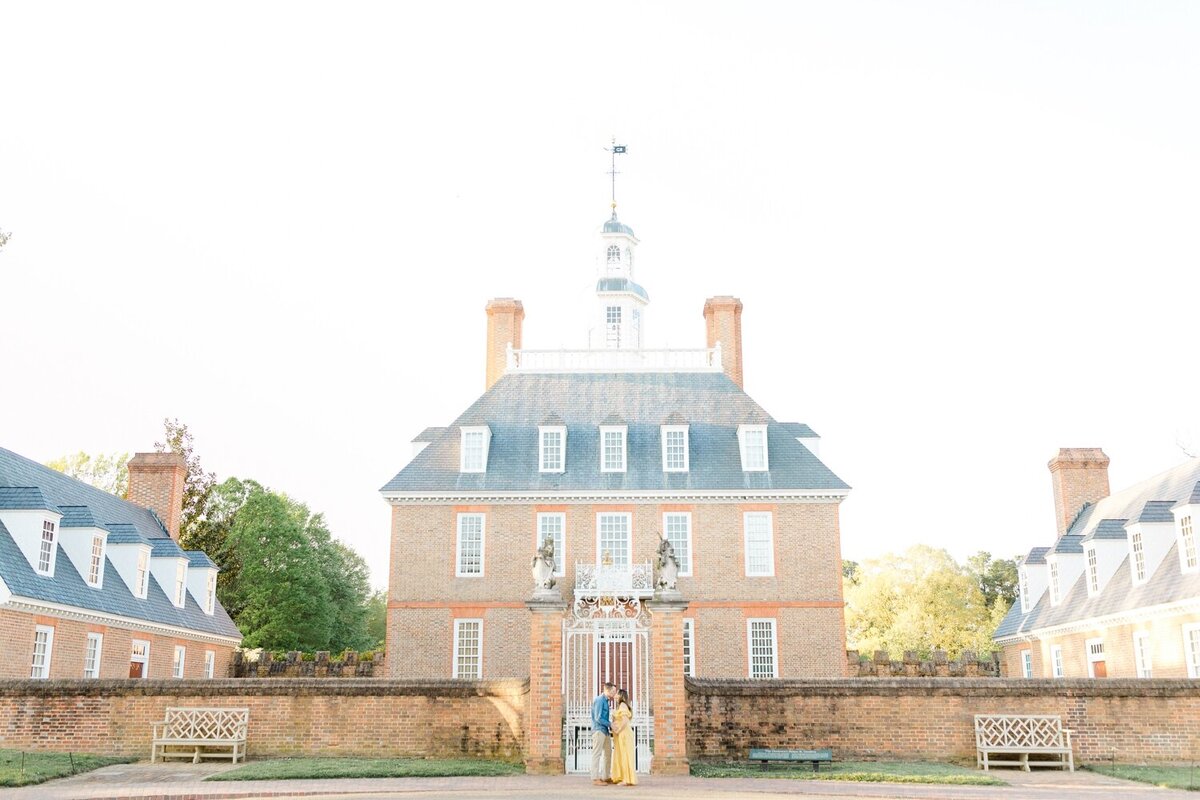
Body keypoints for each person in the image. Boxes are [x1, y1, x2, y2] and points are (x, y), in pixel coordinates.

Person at [608, 688, 637, 786]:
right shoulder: (621, 706)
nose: (615, 696)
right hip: (621, 734)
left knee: (625, 755)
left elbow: (625, 721)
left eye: (617, 694)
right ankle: (622, 777)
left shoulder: (623, 705)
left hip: (624, 734)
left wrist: (618, 730)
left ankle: (626, 779)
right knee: (621, 754)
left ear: (621, 696)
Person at [590, 682, 616, 785]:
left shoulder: (606, 701)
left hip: (605, 731)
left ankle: (606, 776)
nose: (614, 694)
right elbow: (598, 718)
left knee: (608, 753)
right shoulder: (600, 700)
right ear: (607, 690)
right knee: (597, 754)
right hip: (598, 730)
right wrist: (610, 724)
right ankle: (595, 778)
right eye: (613, 691)